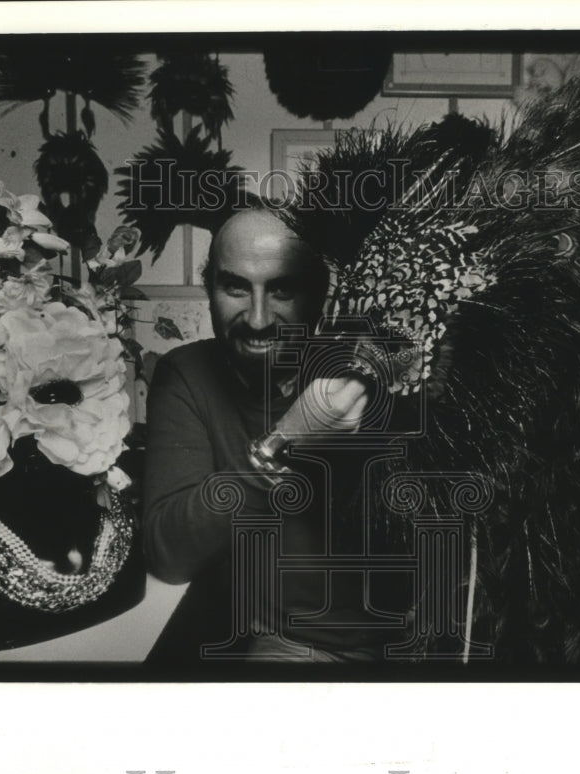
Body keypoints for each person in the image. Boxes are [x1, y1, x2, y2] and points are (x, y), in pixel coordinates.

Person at [142, 204, 409, 665]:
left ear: (317, 295)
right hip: (294, 647)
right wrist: (283, 442)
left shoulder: (369, 369)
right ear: (208, 289)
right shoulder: (187, 374)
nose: (260, 318)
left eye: (282, 289)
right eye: (235, 287)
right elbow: (169, 554)